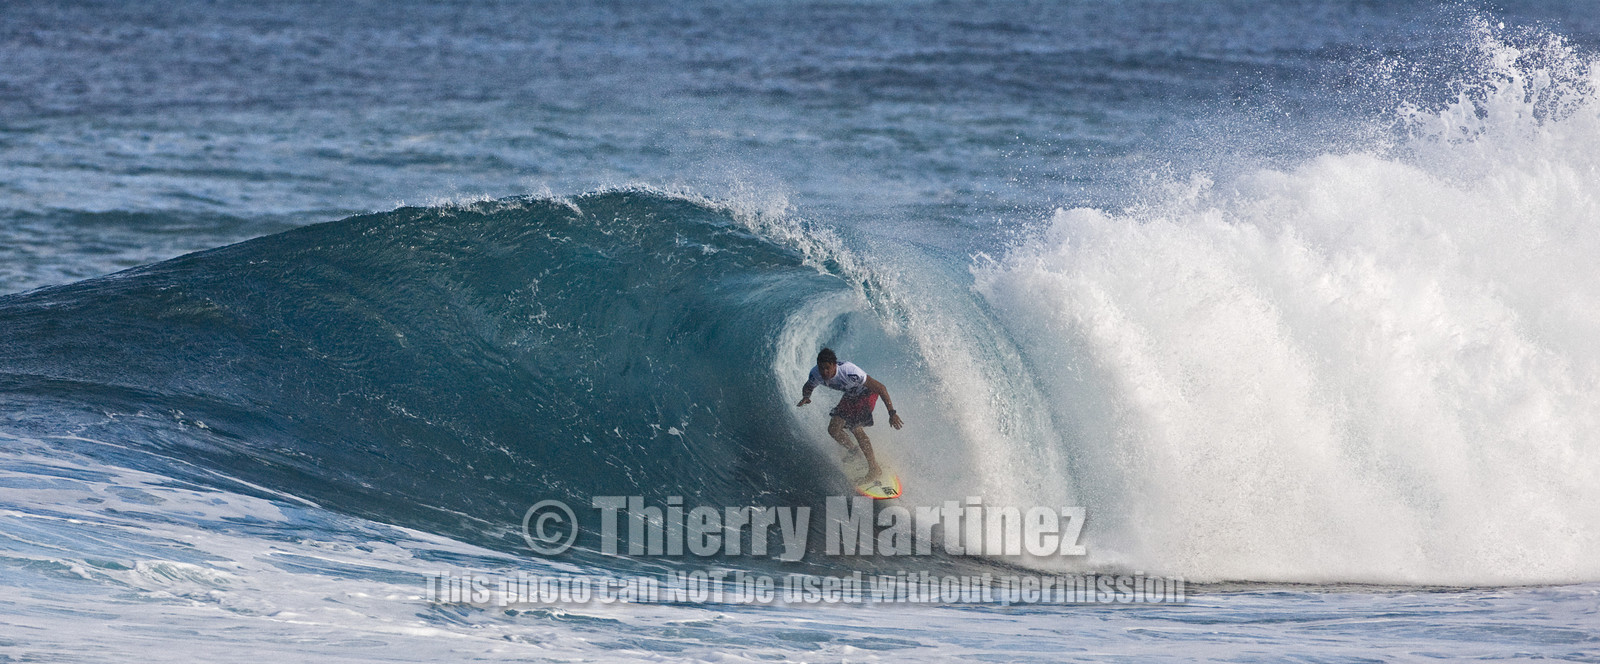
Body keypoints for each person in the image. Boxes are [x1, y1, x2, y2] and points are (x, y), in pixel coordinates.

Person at [796, 347, 903, 479]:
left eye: (827, 368)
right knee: (833, 430)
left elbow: (881, 388)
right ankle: (854, 451)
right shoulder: (815, 373)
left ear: (834, 365)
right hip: (850, 396)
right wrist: (806, 396)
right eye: (821, 368)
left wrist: (892, 413)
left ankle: (874, 468)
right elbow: (808, 386)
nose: (824, 372)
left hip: (866, 394)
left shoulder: (849, 371)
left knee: (855, 428)